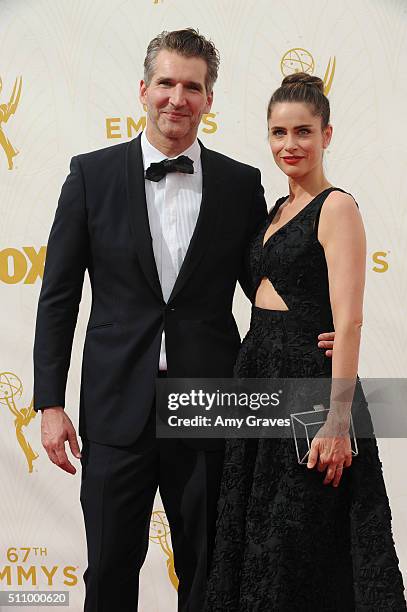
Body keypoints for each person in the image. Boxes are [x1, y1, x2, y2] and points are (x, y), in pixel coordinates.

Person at [33, 30, 334, 612]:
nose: (177, 97)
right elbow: (59, 296)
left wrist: (315, 327)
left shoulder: (240, 184)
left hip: (210, 402)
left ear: (209, 100)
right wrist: (49, 403)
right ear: (143, 89)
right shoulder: (91, 176)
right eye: (166, 83)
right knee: (111, 567)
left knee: (209, 569)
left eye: (192, 87)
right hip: (116, 404)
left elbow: (261, 281)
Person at [205, 73, 406, 611]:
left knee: (299, 539)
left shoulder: (337, 207)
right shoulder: (276, 209)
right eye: (278, 133)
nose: (289, 145)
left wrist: (338, 420)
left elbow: (351, 322)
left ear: (327, 134)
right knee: (257, 533)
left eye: (302, 132)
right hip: (258, 378)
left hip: (309, 389)